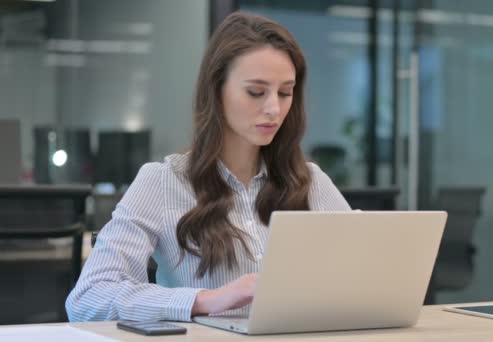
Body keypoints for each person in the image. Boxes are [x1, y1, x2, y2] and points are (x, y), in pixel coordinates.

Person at [65, 12, 351, 322]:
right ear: (216, 90)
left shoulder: (311, 182)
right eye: (256, 92)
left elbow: (366, 276)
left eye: (285, 93)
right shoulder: (163, 182)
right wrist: (207, 300)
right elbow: (88, 298)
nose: (274, 109)